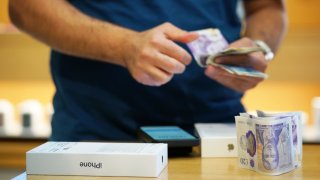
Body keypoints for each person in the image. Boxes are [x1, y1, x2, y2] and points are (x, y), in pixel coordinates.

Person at [9, 0, 287, 141]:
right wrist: (123, 46)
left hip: (219, 133)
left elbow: (267, 6)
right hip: (96, 132)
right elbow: (24, 7)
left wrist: (259, 46)